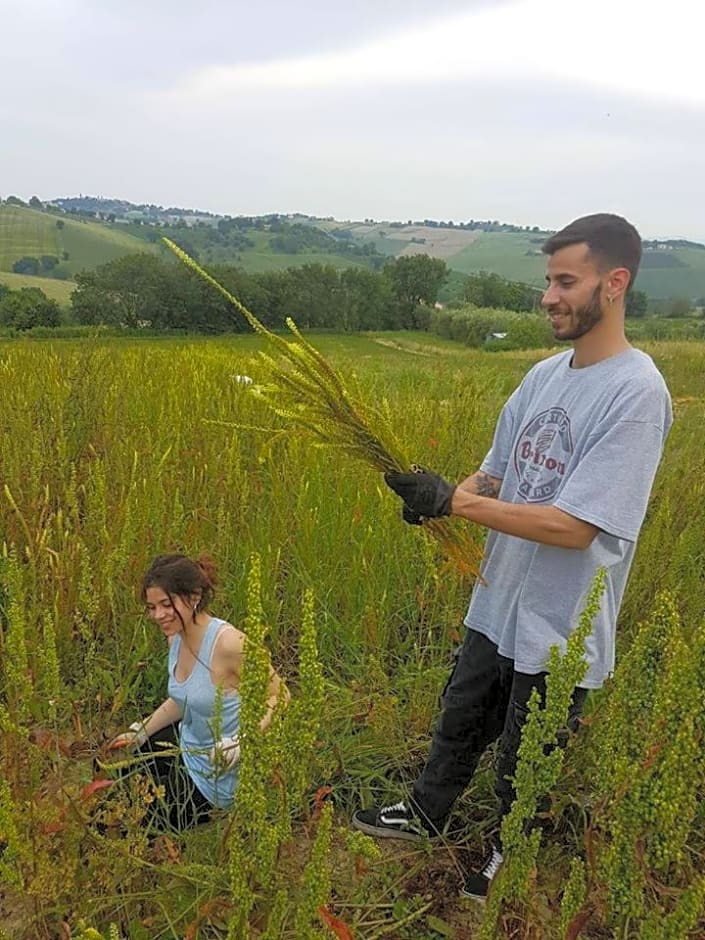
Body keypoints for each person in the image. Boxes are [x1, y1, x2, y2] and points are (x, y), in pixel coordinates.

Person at [352, 213, 673, 900]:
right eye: (546, 281)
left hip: (561, 624)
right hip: (498, 597)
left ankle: (507, 853)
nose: (548, 296)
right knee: (459, 719)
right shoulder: (543, 376)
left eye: (565, 281)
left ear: (613, 284)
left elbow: (574, 527)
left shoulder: (635, 393)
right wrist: (446, 495)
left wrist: (456, 504)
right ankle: (423, 813)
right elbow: (495, 472)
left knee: (526, 762)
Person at [107, 553, 288, 831]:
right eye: (152, 607)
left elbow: (280, 696)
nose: (158, 615)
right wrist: (140, 731)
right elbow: (183, 700)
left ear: (194, 597)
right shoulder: (175, 637)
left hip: (220, 767)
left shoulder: (230, 644)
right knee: (117, 786)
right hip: (190, 741)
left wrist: (240, 742)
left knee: (130, 820)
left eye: (167, 604)